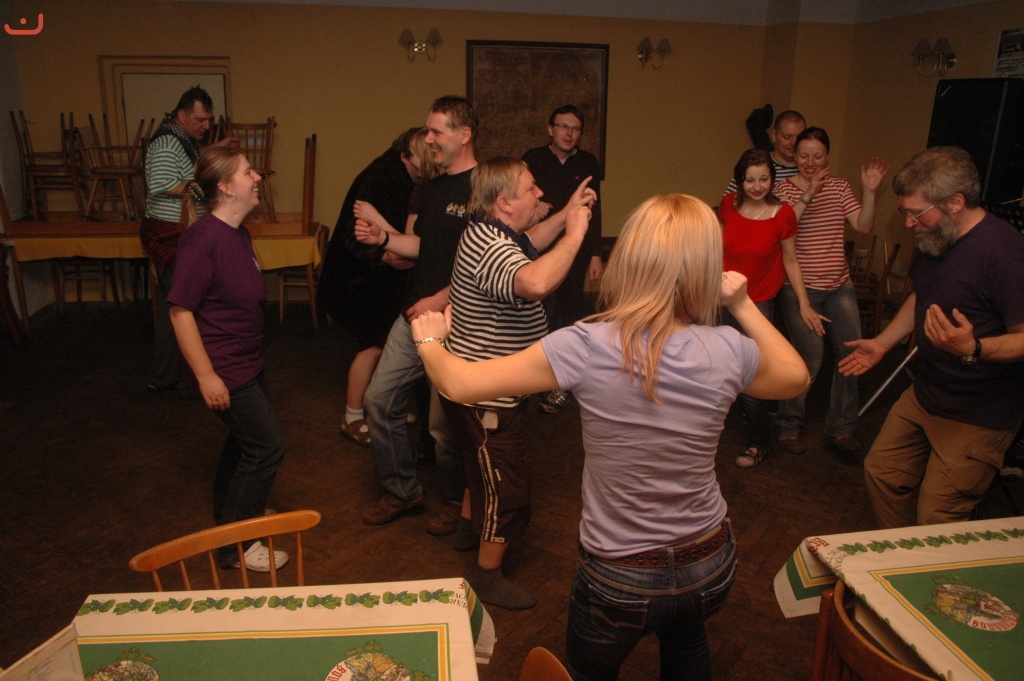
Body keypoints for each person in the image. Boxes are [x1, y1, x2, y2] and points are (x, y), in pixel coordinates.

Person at [410, 193, 808, 680]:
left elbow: (459, 383)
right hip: (710, 558)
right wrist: (742, 304)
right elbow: (795, 376)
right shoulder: (726, 347)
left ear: (631, 257)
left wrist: (429, 338)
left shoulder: (586, 345)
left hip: (622, 571)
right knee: (687, 641)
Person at [838, 147, 1024, 528]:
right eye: (905, 213)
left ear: (956, 202)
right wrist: (883, 343)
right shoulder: (937, 235)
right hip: (927, 393)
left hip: (979, 414)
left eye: (916, 213)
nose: (909, 224)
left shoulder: (1005, 253)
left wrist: (974, 347)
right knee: (882, 472)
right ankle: (909, 552)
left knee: (938, 514)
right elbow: (923, 295)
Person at [442, 157, 596, 609]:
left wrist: (565, 214)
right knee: (505, 485)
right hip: (486, 393)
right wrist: (576, 234)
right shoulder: (491, 245)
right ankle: (487, 577)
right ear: (505, 203)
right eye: (531, 189)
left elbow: (529, 241)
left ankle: (466, 532)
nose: (539, 194)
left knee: (478, 463)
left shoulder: (492, 231)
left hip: (474, 383)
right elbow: (535, 282)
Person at [353, 95, 478, 535]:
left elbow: (481, 267)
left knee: (444, 427)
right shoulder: (435, 187)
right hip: (415, 313)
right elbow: (422, 245)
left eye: (436, 131)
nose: (428, 139)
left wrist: (440, 299)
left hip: (456, 321)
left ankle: (457, 502)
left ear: (464, 135)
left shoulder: (484, 188)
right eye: (427, 131)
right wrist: (383, 237)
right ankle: (402, 490)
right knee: (377, 399)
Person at [167, 146, 287, 572]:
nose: (257, 177)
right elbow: (180, 312)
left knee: (244, 442)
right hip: (225, 368)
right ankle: (235, 546)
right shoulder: (202, 241)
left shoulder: (238, 233)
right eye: (248, 172)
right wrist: (206, 376)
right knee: (268, 447)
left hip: (248, 361)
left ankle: (234, 517)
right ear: (225, 187)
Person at [772, 127, 889, 456]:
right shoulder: (783, 190)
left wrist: (869, 192)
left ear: (827, 156)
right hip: (799, 289)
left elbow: (862, 225)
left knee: (852, 356)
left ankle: (841, 429)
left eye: (818, 156)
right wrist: (808, 193)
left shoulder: (839, 187)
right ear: (794, 155)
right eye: (804, 155)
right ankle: (788, 426)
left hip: (839, 287)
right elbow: (784, 230)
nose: (810, 162)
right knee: (809, 359)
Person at [316, 128, 436, 448]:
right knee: (373, 346)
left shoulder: (400, 175)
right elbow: (356, 236)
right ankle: (353, 417)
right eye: (426, 153)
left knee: (383, 344)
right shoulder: (382, 177)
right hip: (359, 279)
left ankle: (380, 408)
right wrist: (385, 255)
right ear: (407, 154)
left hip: (374, 276)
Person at [719, 148, 817, 467]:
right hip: (721, 300)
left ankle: (759, 442)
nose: (757, 186)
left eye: (764, 179)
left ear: (772, 180)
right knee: (719, 368)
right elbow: (717, 248)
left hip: (757, 304)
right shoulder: (728, 205)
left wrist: (804, 303)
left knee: (753, 375)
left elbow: (791, 260)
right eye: (750, 180)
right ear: (740, 181)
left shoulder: (783, 214)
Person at [141, 86, 235, 397]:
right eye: (200, 120)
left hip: (181, 230)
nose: (206, 126)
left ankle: (167, 375)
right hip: (170, 232)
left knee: (176, 306)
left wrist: (215, 148)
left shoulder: (181, 139)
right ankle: (174, 377)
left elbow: (188, 166)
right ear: (181, 115)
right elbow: (162, 183)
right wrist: (207, 191)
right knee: (180, 307)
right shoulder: (167, 142)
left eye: (208, 120)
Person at [522, 104, 604, 414]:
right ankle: (532, 376)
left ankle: (561, 381)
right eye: (563, 126)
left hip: (575, 251)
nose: (569, 133)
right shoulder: (533, 159)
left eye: (575, 128)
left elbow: (595, 211)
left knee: (569, 313)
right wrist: (535, 208)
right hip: (537, 249)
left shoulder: (587, 162)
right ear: (550, 129)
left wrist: (595, 253)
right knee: (537, 313)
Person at [724, 110, 806, 194]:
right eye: (787, 137)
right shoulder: (753, 164)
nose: (794, 143)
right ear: (774, 136)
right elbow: (728, 200)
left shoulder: (809, 169)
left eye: (800, 138)